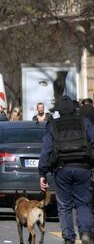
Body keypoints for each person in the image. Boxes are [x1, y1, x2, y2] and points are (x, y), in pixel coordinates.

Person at [38, 95, 94, 244]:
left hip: (62, 168)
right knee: (84, 203)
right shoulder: (85, 122)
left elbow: (46, 150)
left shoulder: (52, 125)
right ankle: (86, 233)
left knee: (64, 205)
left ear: (58, 111)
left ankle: (69, 238)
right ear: (74, 108)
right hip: (83, 167)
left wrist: (42, 172)